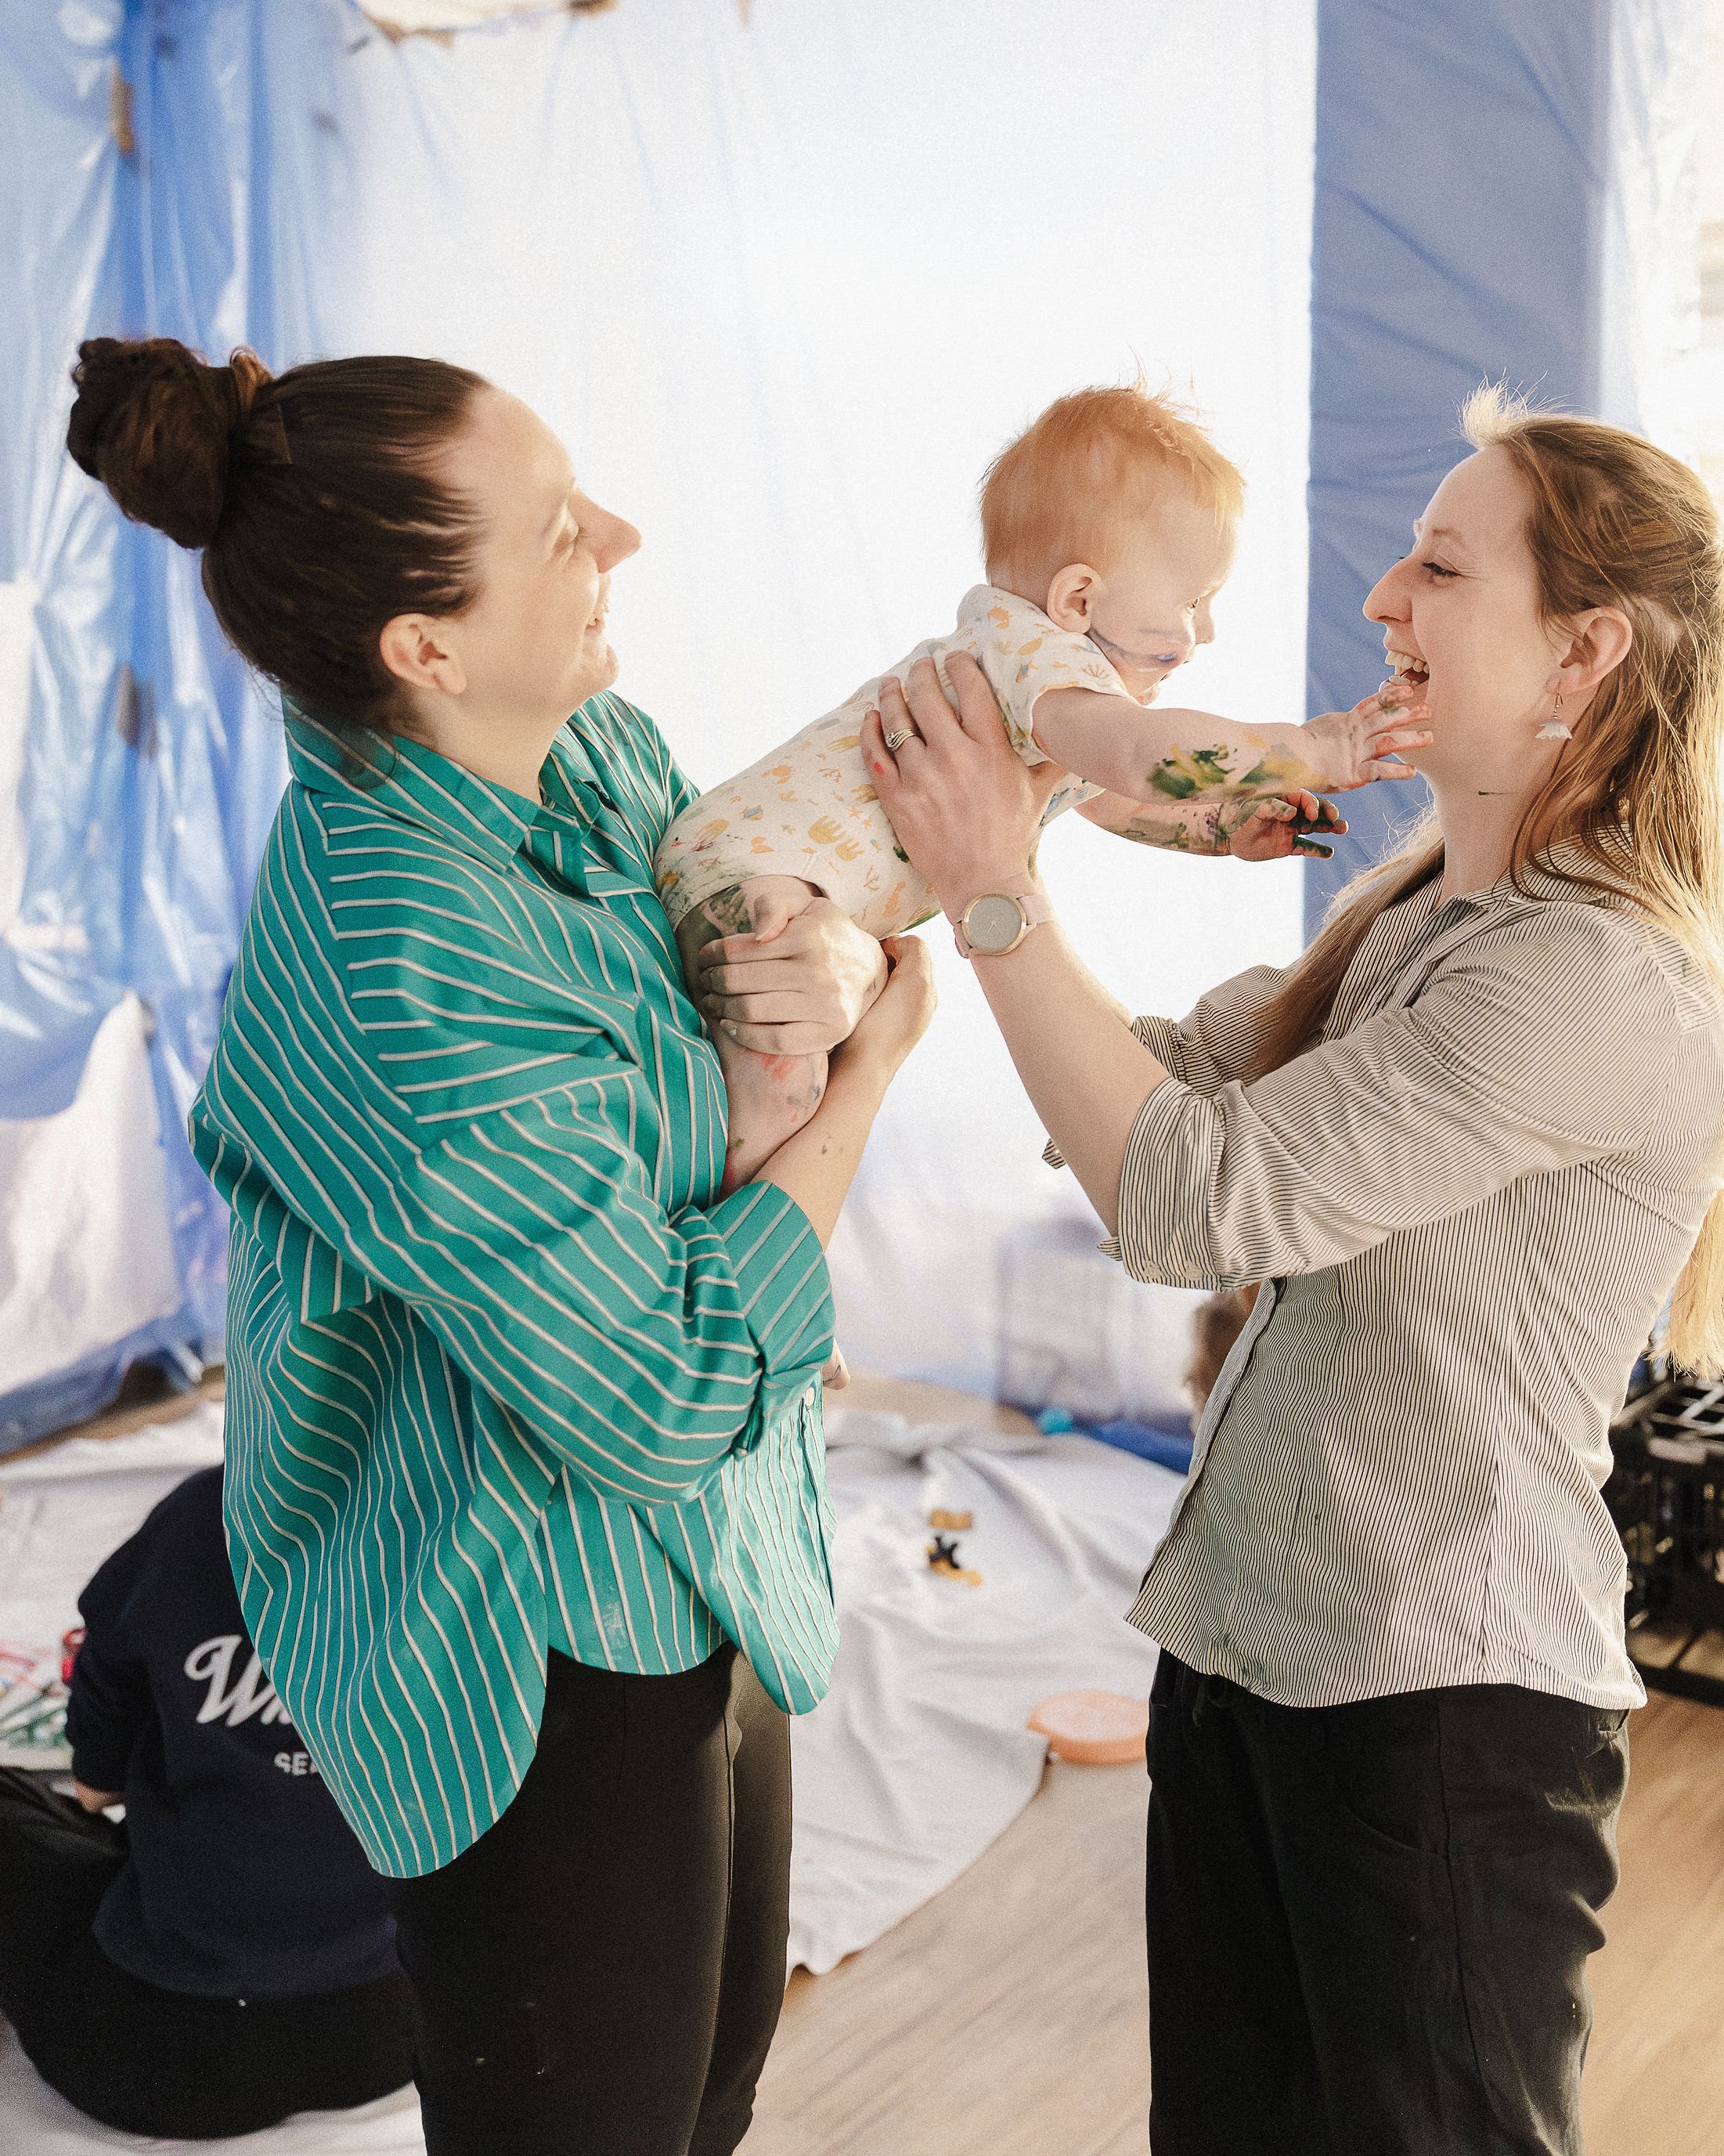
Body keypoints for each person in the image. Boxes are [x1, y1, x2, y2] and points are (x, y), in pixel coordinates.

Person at [860, 388, 1724, 2156]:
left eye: (1440, 565)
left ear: (1584, 651)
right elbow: (1172, 1079)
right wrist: (894, 950)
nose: (1381, 601)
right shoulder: (1423, 913)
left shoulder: (1592, 983)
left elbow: (1193, 1199)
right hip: (1250, 1649)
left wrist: (997, 890)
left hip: (1437, 1708)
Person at [64, 337, 936, 2156]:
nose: (614, 532)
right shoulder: (396, 945)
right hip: (521, 1633)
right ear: (424, 648)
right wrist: (866, 1078)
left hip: (710, 1556)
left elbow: (735, 959)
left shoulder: (590, 750)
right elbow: (655, 1385)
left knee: (702, 2097)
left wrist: (817, 964)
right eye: (556, 531)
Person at [657, 382, 1425, 1180]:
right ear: (1079, 598)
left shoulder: (1032, 687)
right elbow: (1143, 758)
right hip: (762, 873)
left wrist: (1217, 829)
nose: (1206, 632)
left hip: (751, 871)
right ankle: (689, 1211)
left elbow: (1112, 796)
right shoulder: (1041, 658)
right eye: (1193, 601)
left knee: (775, 1078)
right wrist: (1317, 748)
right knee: (784, 1091)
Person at [0, 1462, 413, 2136]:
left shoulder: (209, 1516)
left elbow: (95, 1779)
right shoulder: (487, 1536)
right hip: (394, 2029)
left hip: (162, 2053)